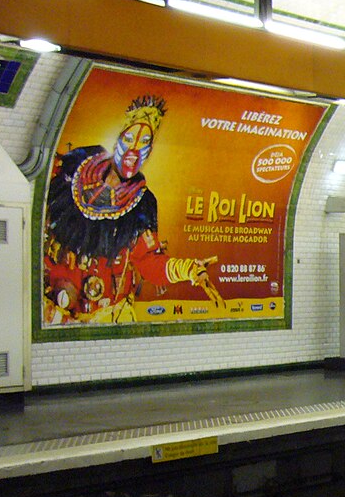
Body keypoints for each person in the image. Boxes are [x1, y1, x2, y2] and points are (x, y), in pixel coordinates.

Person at [43, 93, 217, 324]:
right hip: (54, 307)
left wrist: (187, 269)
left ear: (150, 152)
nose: (135, 148)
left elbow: (148, 262)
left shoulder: (143, 202)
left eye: (145, 142)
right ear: (118, 140)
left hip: (107, 314)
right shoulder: (77, 163)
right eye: (131, 137)